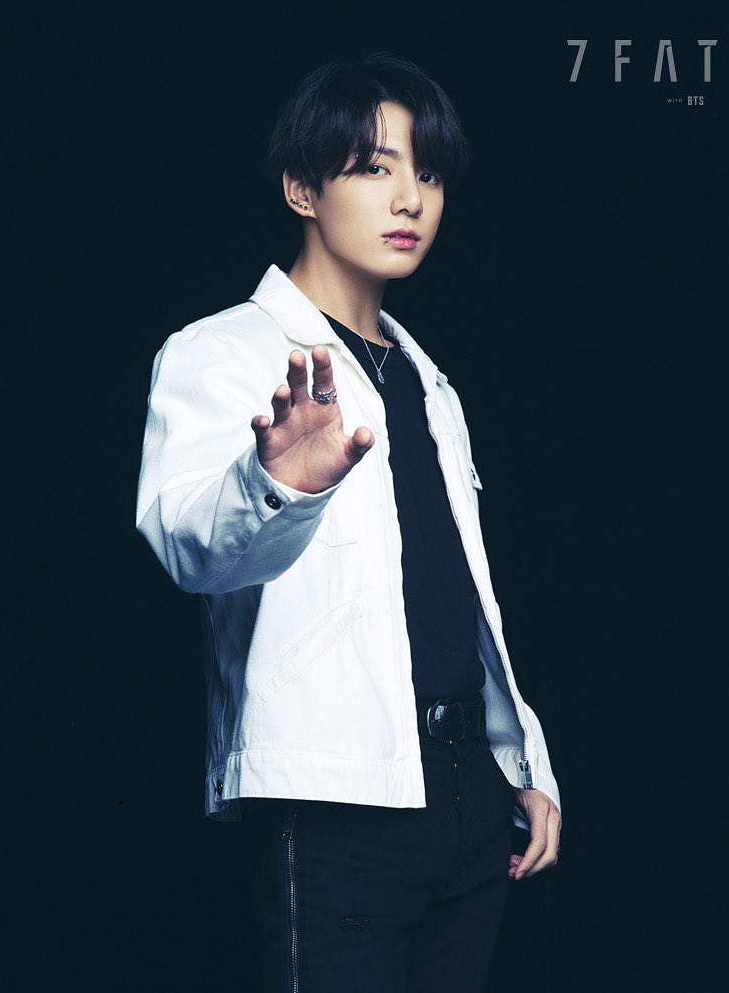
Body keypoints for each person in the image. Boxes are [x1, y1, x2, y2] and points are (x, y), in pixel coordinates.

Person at [135, 52, 561, 992]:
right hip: (333, 798)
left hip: (470, 793)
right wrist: (277, 483)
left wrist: (522, 760)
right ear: (302, 189)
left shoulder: (429, 379)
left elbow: (459, 594)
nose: (410, 198)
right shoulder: (221, 351)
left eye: (429, 173)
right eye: (375, 168)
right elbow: (187, 549)